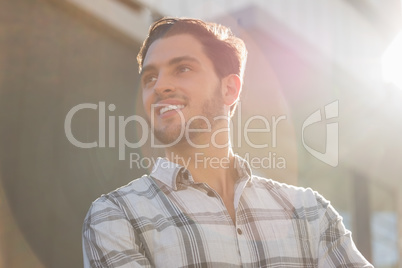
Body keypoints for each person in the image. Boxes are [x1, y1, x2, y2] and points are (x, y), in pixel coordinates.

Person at [82, 17, 373, 267]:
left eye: (182, 68)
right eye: (150, 78)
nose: (160, 86)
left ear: (230, 89)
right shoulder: (115, 216)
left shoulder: (310, 214)